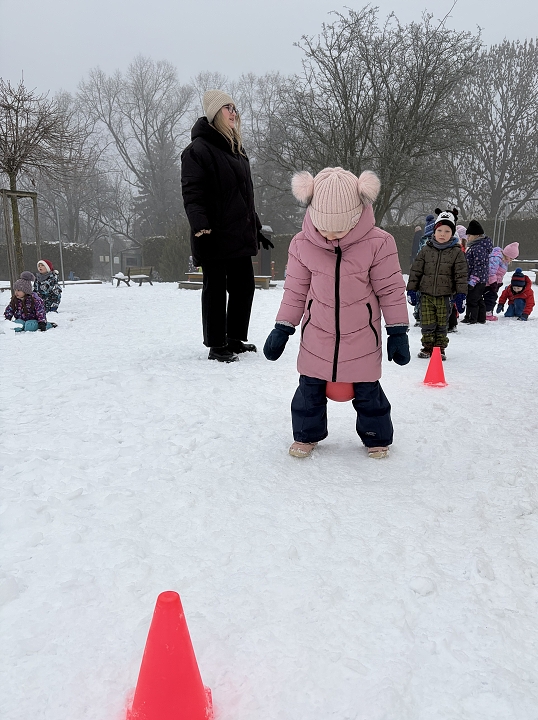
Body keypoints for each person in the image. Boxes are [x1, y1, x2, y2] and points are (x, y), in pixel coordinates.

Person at [263, 167, 410, 459]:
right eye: (323, 228)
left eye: (340, 229)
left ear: (357, 215)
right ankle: (306, 435)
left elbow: (390, 289)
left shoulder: (379, 243)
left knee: (369, 393)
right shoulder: (301, 245)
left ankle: (376, 437)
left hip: (362, 337)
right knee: (308, 392)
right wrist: (283, 327)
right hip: (317, 334)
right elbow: (295, 290)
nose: (330, 236)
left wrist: (397, 331)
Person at [181, 89, 273, 363]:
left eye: (235, 107)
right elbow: (193, 195)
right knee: (216, 289)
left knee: (244, 287)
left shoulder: (236, 150)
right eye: (227, 108)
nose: (234, 112)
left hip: (239, 234)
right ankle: (217, 344)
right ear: (214, 113)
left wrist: (256, 227)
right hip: (213, 234)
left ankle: (234, 338)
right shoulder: (197, 151)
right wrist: (201, 228)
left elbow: (244, 198)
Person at [407, 210, 468, 360]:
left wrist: (461, 294)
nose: (442, 234)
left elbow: (461, 275)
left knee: (442, 323)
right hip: (426, 294)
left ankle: (439, 348)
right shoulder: (426, 250)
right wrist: (411, 289)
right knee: (427, 322)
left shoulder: (456, 252)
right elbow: (416, 270)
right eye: (439, 230)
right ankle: (427, 346)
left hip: (445, 295)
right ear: (434, 231)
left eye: (447, 231)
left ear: (452, 233)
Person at [462, 220, 493, 324]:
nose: (467, 238)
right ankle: (481, 318)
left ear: (477, 235)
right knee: (478, 299)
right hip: (479, 278)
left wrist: (473, 279)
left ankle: (471, 318)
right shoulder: (476, 247)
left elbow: (479, 265)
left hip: (476, 279)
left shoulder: (478, 248)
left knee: (472, 299)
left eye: (469, 235)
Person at [484, 242, 519, 320]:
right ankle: (487, 314)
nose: (511, 260)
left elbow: (499, 274)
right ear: (507, 254)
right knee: (490, 298)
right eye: (511, 258)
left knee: (492, 298)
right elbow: (491, 271)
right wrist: (493, 283)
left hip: (495, 283)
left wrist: (498, 282)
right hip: (489, 283)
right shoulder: (496, 258)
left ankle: (488, 312)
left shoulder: (504, 260)